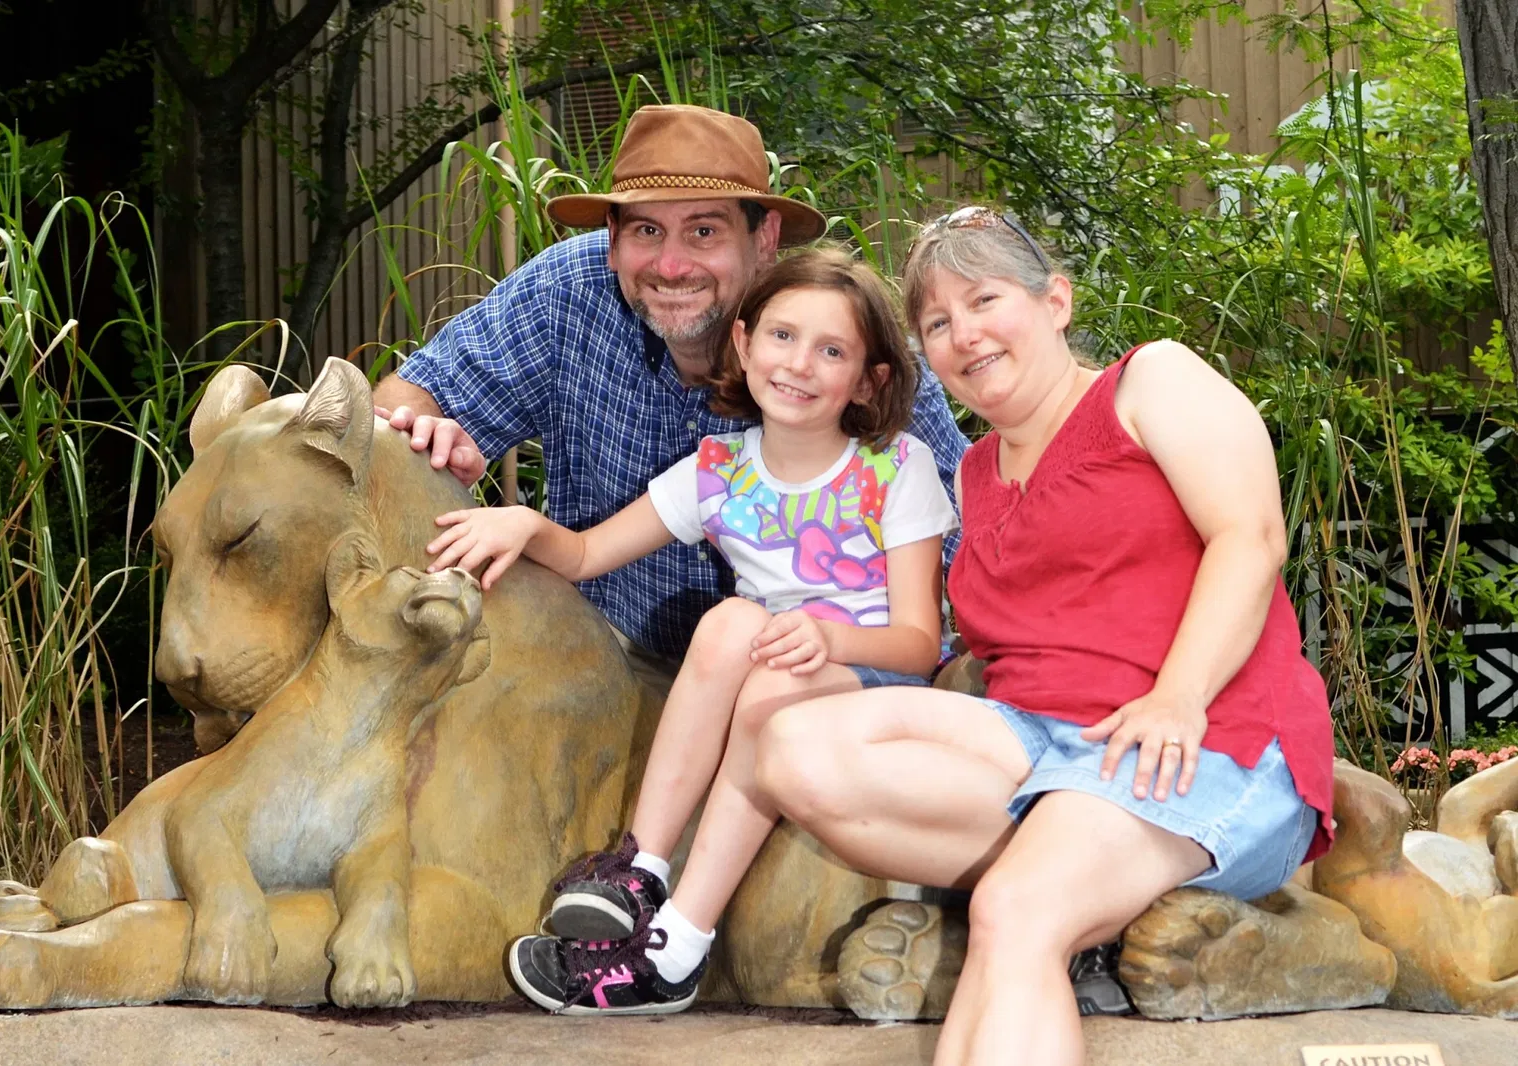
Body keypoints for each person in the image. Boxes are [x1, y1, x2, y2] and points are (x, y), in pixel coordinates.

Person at [747, 207, 1335, 1065]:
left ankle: (1058, 892)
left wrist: (1178, 697)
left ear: (1055, 301)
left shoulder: (1149, 384)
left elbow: (1251, 538)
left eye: (984, 300)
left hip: (1204, 741)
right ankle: (1075, 887)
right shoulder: (973, 472)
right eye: (937, 323)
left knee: (1014, 911)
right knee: (793, 744)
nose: (964, 335)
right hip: (1044, 744)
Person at [428, 250, 958, 1014]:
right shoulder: (717, 471)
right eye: (782, 336)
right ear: (744, 343)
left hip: (870, 673)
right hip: (771, 665)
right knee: (730, 620)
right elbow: (587, 554)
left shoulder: (895, 466)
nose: (799, 364)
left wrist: (830, 638)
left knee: (769, 673)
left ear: (869, 380)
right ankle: (639, 870)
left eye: (831, 351)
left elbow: (918, 642)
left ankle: (678, 947)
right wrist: (523, 524)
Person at [371, 104, 968, 679]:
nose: (672, 265)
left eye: (704, 230)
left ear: (764, 238)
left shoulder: (847, 350)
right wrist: (427, 438)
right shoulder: (566, 291)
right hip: (602, 657)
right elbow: (406, 401)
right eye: (647, 230)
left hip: (818, 675)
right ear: (613, 238)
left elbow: (966, 547)